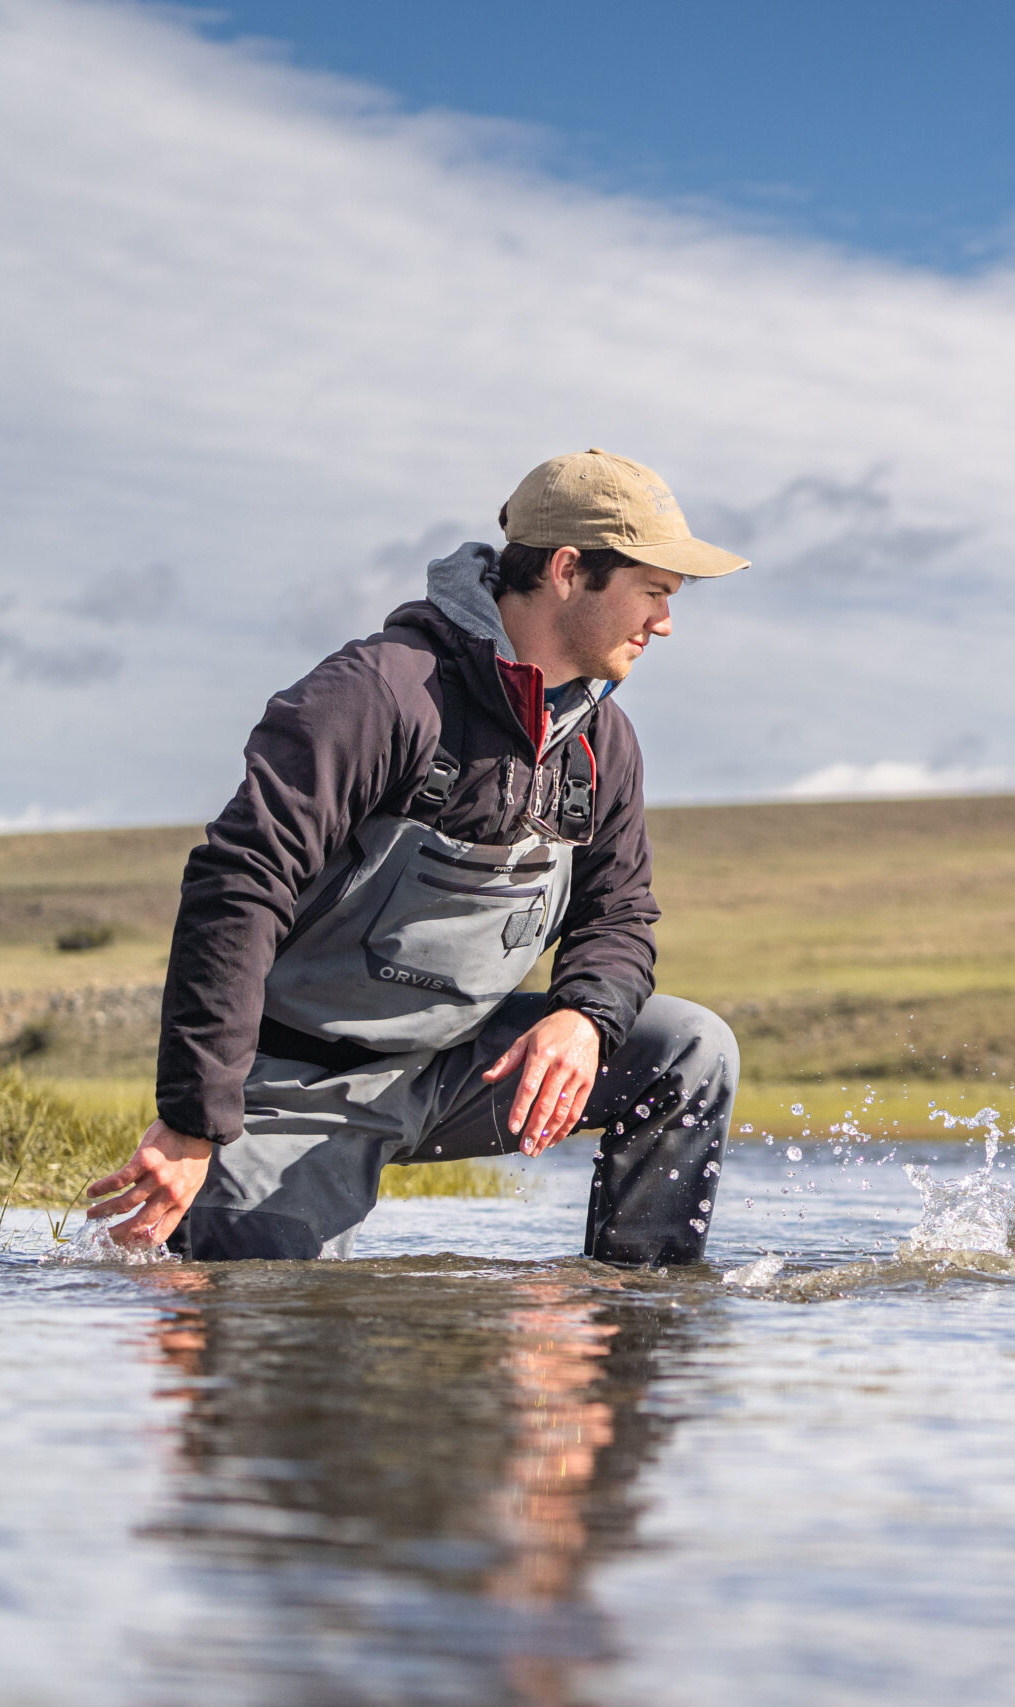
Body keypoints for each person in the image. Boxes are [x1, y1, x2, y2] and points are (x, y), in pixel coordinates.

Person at [85, 450, 747, 1264]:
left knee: (691, 1047)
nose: (665, 622)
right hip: (303, 1085)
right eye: (654, 592)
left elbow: (620, 913)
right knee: (246, 1314)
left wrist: (583, 1014)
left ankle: (629, 1315)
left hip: (467, 1069)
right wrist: (196, 1118)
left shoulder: (605, 741)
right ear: (570, 571)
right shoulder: (378, 694)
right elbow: (237, 885)